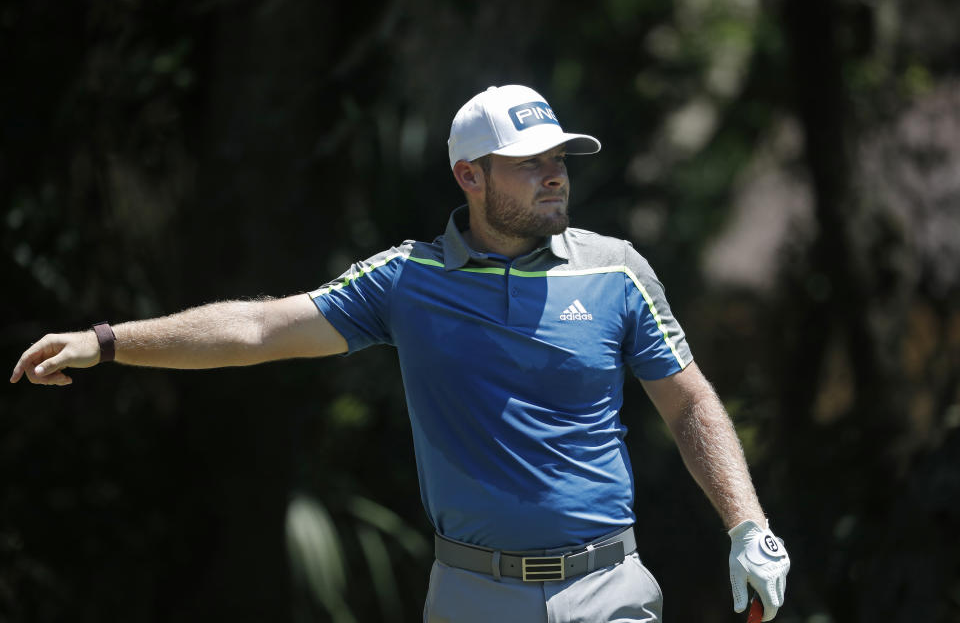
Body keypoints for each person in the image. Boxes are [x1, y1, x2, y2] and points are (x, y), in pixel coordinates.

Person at [11, 84, 790, 622]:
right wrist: (109, 342)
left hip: (607, 590)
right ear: (470, 177)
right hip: (472, 596)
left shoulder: (616, 270)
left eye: (561, 159)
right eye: (532, 162)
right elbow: (259, 329)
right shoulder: (406, 281)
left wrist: (746, 524)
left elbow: (688, 400)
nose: (556, 176)